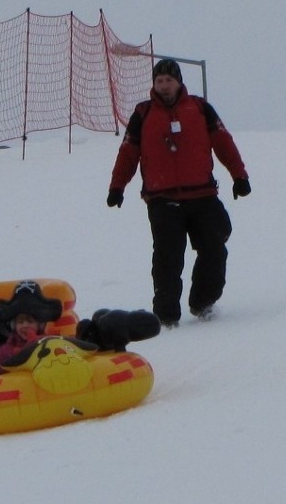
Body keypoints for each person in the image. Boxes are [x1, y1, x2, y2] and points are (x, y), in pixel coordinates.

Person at [107, 59, 251, 328]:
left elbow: (223, 142)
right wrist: (117, 187)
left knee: (215, 247)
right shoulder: (143, 113)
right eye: (159, 81)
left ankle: (203, 303)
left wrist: (239, 175)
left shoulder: (199, 108)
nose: (163, 86)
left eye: (168, 80)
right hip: (162, 200)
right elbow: (128, 152)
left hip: (203, 196)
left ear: (179, 82)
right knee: (167, 259)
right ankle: (165, 317)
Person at [0, 280, 62, 375]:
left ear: (40, 324)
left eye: (30, 321)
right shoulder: (5, 351)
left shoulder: (50, 344)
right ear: (14, 325)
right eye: (20, 322)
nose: (25, 325)